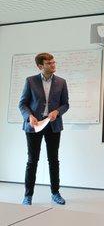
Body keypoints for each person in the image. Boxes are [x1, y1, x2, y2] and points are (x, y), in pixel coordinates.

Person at [19, 53, 69, 205]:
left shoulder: (61, 82)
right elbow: (22, 104)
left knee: (53, 160)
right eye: (49, 63)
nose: (53, 65)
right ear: (40, 66)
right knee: (32, 161)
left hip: (53, 126)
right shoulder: (30, 81)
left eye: (54, 62)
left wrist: (57, 112)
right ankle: (28, 196)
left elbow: (65, 104)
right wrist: (29, 117)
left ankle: (55, 193)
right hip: (34, 126)